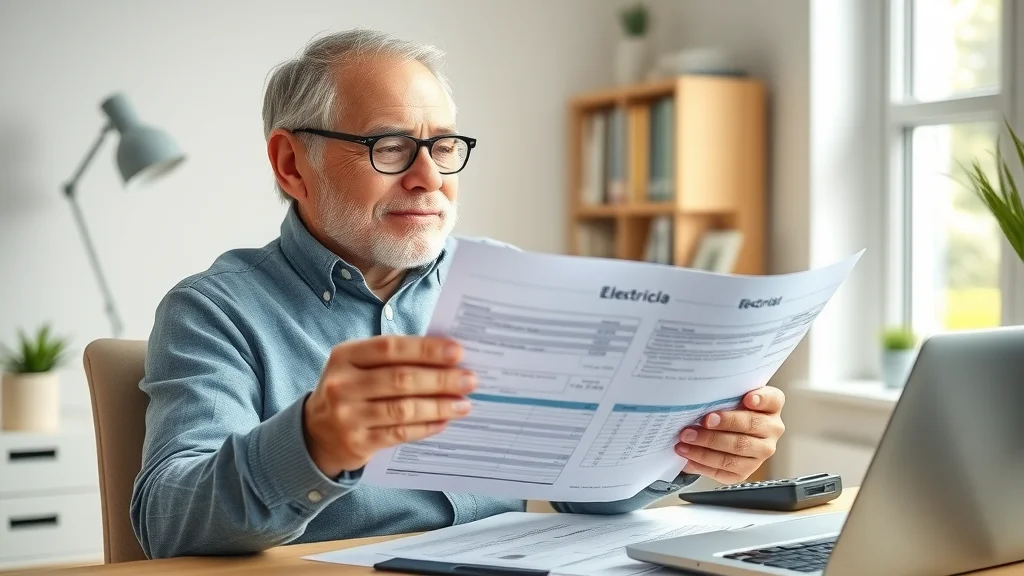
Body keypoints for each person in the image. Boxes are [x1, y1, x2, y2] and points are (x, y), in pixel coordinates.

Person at [130, 28, 787, 559]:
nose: (428, 178)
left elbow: (588, 495)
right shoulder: (214, 312)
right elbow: (167, 522)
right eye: (389, 147)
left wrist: (678, 447)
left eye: (442, 147)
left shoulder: (507, 279)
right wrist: (313, 441)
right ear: (291, 164)